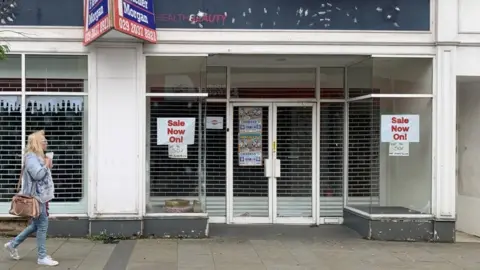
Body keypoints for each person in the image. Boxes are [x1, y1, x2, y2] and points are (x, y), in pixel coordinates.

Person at [4, 130, 58, 266]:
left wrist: (47, 163)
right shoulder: (31, 158)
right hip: (36, 198)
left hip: (41, 197)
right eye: (44, 141)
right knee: (42, 225)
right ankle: (42, 256)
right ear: (37, 143)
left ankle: (12, 244)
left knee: (36, 225)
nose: (47, 143)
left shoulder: (37, 156)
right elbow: (38, 175)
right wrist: (46, 165)